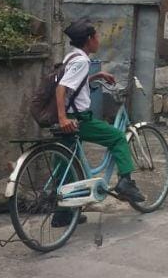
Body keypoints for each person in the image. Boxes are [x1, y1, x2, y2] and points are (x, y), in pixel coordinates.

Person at [55, 19, 144, 225]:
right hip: (78, 119)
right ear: (88, 39)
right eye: (96, 36)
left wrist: (95, 77)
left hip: (69, 117)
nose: (98, 40)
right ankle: (125, 183)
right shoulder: (82, 61)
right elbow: (61, 88)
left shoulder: (72, 57)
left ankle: (62, 214)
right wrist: (63, 118)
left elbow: (72, 84)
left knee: (65, 164)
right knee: (117, 137)